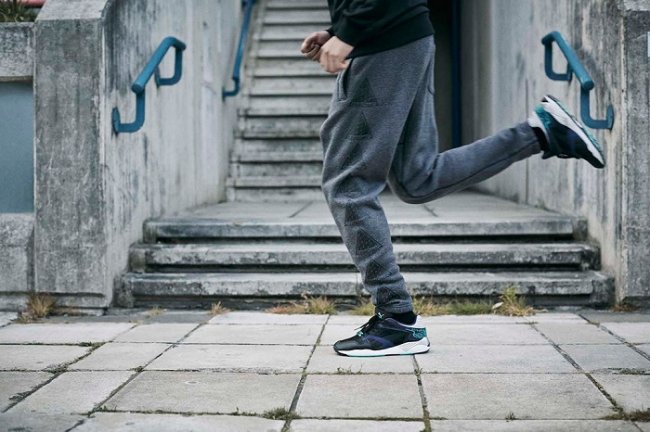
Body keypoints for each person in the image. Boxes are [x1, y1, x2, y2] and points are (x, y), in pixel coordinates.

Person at [300, 0, 605, 357]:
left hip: (381, 43)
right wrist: (339, 29)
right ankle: (540, 133)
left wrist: (351, 30)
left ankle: (396, 318)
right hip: (401, 38)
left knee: (347, 185)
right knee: (418, 178)